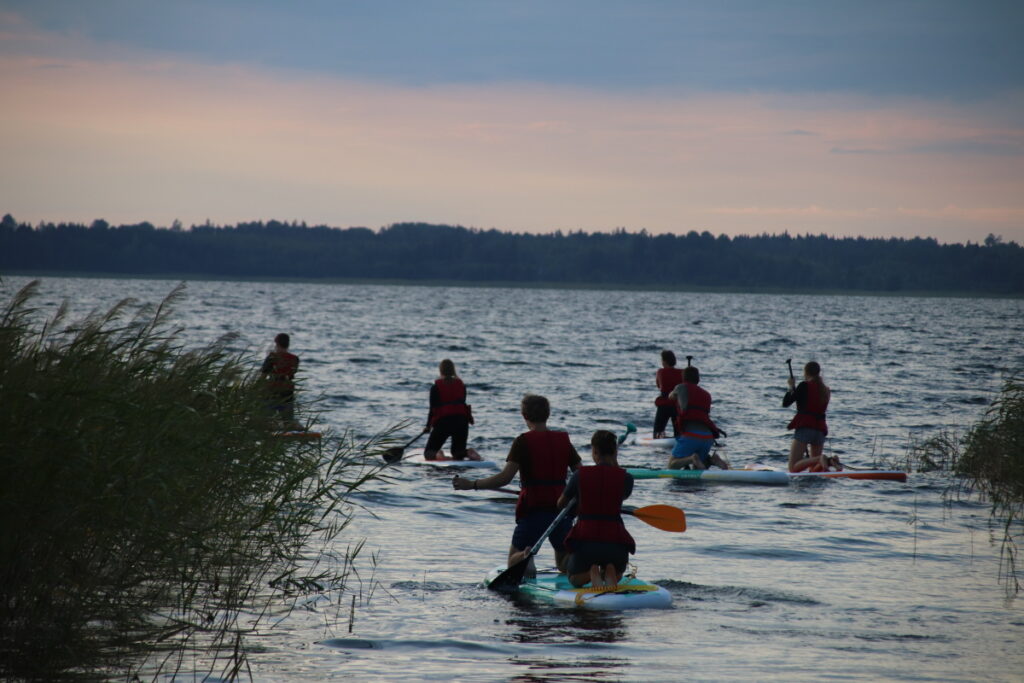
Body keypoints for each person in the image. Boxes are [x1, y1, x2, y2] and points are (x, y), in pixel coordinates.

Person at [453, 394, 582, 574]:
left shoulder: (523, 441)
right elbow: (581, 474)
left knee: (512, 561)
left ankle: (525, 557)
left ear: (524, 416)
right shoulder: (563, 440)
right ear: (548, 414)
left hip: (534, 511)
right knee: (563, 563)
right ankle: (587, 563)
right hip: (562, 512)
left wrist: (472, 484)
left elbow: (505, 478)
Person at [558, 430, 635, 588]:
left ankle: (592, 573)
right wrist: (615, 462)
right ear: (615, 452)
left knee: (572, 578)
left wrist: (578, 497)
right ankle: (611, 571)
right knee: (620, 572)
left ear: (595, 452)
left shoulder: (579, 475)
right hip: (615, 542)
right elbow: (620, 497)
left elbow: (560, 504)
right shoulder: (626, 478)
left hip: (586, 540)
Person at [667, 365, 729, 470]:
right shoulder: (707, 395)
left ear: (683, 378)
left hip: (691, 435)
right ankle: (713, 460)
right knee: (698, 467)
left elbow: (671, 396)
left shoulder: (681, 387)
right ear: (698, 379)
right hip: (708, 438)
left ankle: (691, 458)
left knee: (672, 465)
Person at [784, 361, 840, 472]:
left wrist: (791, 387)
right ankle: (829, 461)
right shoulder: (826, 390)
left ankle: (820, 458)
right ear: (818, 373)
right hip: (820, 430)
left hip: (805, 427)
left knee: (793, 468)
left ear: (805, 372)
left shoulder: (804, 385)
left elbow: (786, 403)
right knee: (814, 470)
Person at [423, 359, 480, 460]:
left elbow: (433, 409)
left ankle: (437, 453)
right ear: (453, 370)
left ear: (441, 371)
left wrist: (428, 426)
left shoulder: (436, 387)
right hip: (462, 421)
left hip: (444, 421)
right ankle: (467, 452)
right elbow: (461, 402)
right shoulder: (461, 386)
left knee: (428, 452)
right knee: (457, 453)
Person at [261, 332, 301, 430]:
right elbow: (292, 374)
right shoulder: (295, 359)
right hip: (288, 393)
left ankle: (271, 429)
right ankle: (293, 429)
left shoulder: (272, 357)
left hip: (272, 392)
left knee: (267, 420)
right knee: (288, 421)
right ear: (288, 344)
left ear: (276, 343)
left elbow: (263, 376)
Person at [653, 350, 684, 438]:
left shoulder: (660, 372)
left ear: (665, 361)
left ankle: (659, 436)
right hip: (677, 404)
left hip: (664, 403)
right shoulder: (682, 372)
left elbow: (659, 385)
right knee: (678, 432)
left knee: (657, 431)